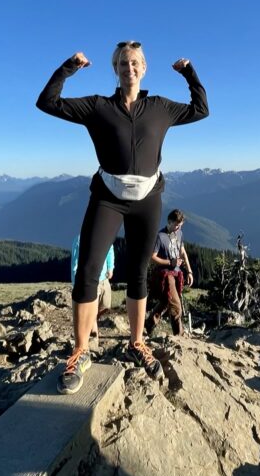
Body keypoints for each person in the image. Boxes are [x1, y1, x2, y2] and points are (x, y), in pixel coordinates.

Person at [37, 41, 208, 394]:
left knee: (139, 273)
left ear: (144, 67)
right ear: (115, 69)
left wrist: (189, 73)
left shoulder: (159, 107)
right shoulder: (99, 106)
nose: (129, 68)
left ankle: (136, 342)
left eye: (134, 62)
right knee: (87, 269)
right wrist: (68, 68)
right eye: (122, 63)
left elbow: (201, 109)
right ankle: (81, 351)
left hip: (148, 199)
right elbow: (47, 102)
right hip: (107, 198)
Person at [147, 209, 193, 336]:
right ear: (169, 222)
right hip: (165, 275)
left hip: (177, 273)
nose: (178, 228)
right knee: (176, 304)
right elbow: (152, 257)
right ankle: (179, 335)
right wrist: (169, 262)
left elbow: (182, 251)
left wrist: (189, 271)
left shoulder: (177, 233)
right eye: (177, 225)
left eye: (180, 226)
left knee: (166, 302)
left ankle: (149, 323)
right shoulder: (160, 237)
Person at [70, 234, 115, 349]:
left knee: (106, 305)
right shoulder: (79, 239)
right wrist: (76, 283)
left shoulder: (104, 234)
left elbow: (110, 249)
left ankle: (92, 321)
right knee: (93, 311)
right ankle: (94, 340)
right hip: (90, 281)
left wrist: (110, 267)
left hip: (104, 279)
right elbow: (75, 261)